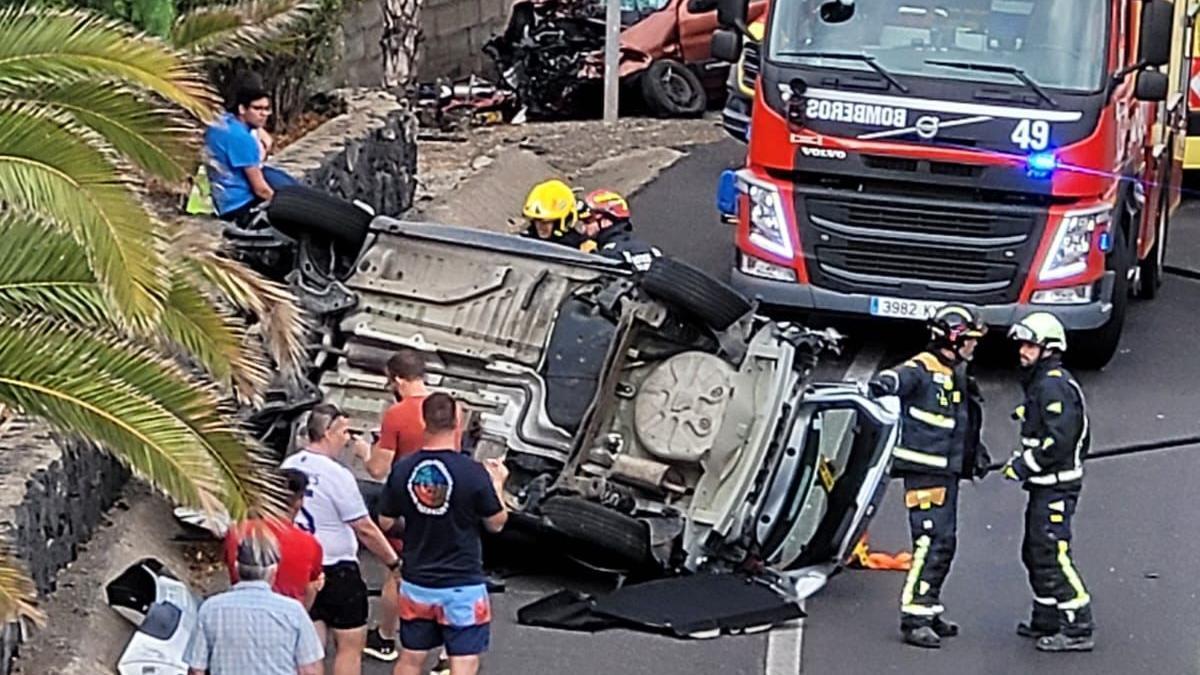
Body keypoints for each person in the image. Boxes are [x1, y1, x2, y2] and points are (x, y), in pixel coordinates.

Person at [868, 305, 990, 649]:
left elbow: (960, 423)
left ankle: (930, 607)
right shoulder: (921, 368)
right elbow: (889, 382)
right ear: (953, 339)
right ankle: (915, 617)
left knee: (944, 543)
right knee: (930, 543)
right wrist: (885, 383)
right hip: (925, 475)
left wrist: (973, 456)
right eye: (970, 339)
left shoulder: (956, 373)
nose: (974, 345)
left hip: (945, 471)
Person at [378, 393, 510, 675]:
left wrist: (414, 525)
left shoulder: (403, 469)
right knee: (463, 660)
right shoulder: (473, 472)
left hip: (417, 582)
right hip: (461, 583)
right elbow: (496, 522)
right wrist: (498, 484)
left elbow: (386, 521)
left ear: (423, 421)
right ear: (457, 422)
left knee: (411, 657)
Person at [281, 403, 402, 675]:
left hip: (302, 565)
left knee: (311, 646)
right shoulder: (337, 475)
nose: (347, 439)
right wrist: (393, 563)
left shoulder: (289, 465)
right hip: (338, 568)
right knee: (350, 645)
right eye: (343, 432)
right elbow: (364, 527)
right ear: (326, 432)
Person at [1003, 312, 1094, 652]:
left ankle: (1078, 624)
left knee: (1051, 551)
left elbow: (1060, 440)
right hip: (1044, 484)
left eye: (1029, 345)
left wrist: (1024, 465)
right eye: (1022, 344)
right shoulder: (1042, 383)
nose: (1022, 351)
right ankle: (1047, 616)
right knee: (1035, 550)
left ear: (1048, 348)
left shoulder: (1053, 385)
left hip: (1056, 485)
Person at [362, 348, 434, 662]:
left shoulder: (398, 414)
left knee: (397, 572)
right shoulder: (449, 408)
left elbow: (378, 469)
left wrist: (365, 449)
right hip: (440, 496)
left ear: (399, 380)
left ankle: (386, 638)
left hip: (406, 501)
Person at [185, 525, 324, 675]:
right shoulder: (294, 612)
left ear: (237, 567)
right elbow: (310, 670)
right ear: (273, 571)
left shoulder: (211, 609)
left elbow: (196, 669)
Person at [223, 469, 325, 609]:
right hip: (286, 621)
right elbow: (309, 591)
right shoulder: (310, 545)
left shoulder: (237, 532)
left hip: (239, 612)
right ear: (299, 502)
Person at [203, 85, 278, 226]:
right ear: (242, 109)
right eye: (257, 109)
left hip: (222, 199)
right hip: (240, 206)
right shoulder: (241, 138)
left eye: (267, 109)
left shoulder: (222, 123)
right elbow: (261, 190)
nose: (264, 114)